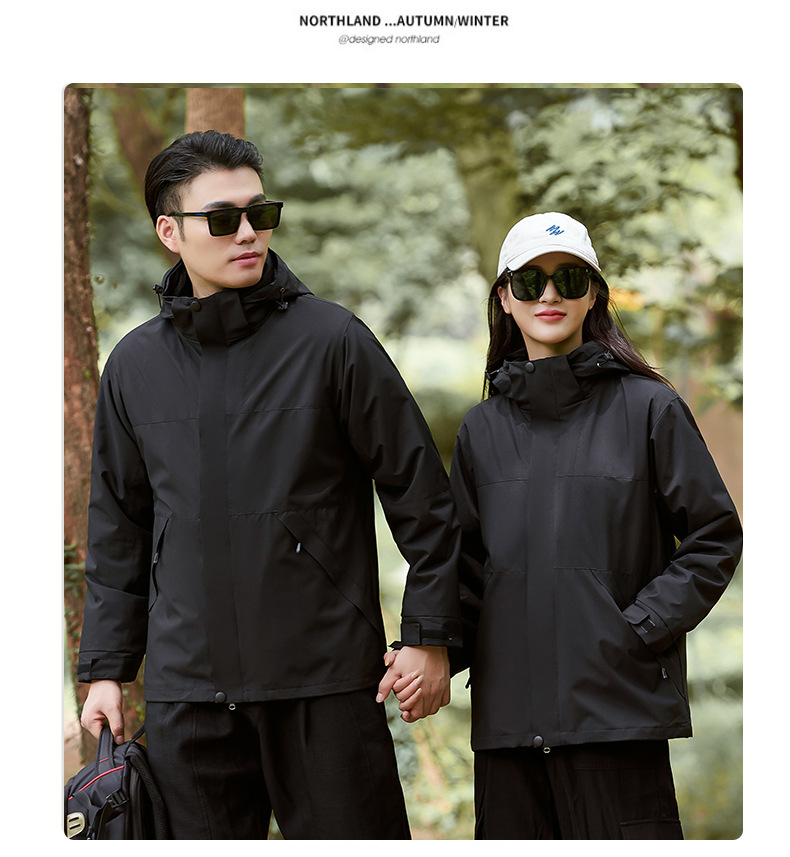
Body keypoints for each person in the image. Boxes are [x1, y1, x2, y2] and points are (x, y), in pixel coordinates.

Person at [77, 130, 462, 840]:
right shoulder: (133, 366)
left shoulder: (334, 341)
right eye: (223, 219)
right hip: (188, 697)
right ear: (170, 232)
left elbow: (425, 500)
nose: (248, 233)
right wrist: (106, 671)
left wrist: (429, 636)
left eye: (261, 213)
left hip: (325, 683)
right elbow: (119, 528)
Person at [392, 212, 743, 839]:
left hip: (617, 717)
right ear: (504, 298)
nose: (549, 295)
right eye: (530, 282)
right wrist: (429, 648)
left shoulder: (651, 409)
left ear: (594, 296)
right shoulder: (482, 430)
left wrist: (635, 631)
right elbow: (466, 570)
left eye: (569, 279)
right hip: (508, 731)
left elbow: (714, 535)